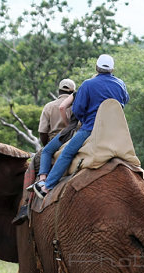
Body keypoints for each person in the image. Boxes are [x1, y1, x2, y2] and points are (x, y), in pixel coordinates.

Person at [34, 54, 129, 195]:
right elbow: (124, 102)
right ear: (112, 69)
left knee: (67, 153)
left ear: (97, 67)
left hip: (90, 129)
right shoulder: (121, 84)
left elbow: (77, 110)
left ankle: (47, 186)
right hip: (114, 131)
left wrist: (84, 120)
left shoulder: (87, 84)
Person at [38, 78, 76, 146]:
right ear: (73, 92)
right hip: (73, 141)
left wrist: (46, 146)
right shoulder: (77, 105)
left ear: (59, 91)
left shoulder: (48, 106)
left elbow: (42, 132)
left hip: (53, 141)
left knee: (44, 153)